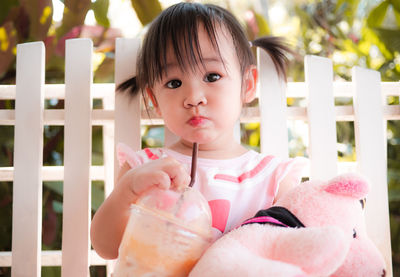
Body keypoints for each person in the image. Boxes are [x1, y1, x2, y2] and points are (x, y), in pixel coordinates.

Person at [90, 2, 307, 260]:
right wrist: (127, 191)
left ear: (248, 85)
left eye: (212, 76)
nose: (193, 98)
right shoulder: (145, 171)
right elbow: (107, 248)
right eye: (174, 83)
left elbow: (290, 253)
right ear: (154, 99)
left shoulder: (272, 180)